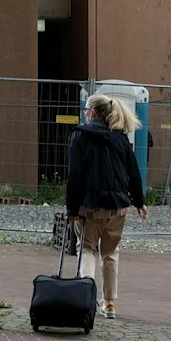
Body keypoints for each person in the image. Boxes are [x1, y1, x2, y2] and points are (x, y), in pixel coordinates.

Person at [65, 93, 149, 319]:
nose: (85, 114)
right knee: (110, 253)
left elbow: (74, 176)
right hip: (118, 206)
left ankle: (85, 299)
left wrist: (71, 209)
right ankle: (110, 303)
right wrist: (139, 202)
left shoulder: (79, 136)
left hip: (89, 206)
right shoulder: (120, 138)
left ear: (93, 112)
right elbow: (133, 173)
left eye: (86, 111)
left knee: (87, 248)